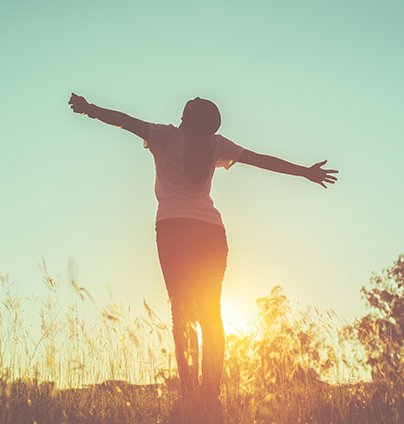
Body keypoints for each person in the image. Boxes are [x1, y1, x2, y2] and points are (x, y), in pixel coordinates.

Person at [68, 93, 338, 423]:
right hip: (211, 232)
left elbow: (124, 120)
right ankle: (211, 396)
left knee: (182, 313)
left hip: (174, 229)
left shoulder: (166, 135)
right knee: (211, 314)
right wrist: (304, 172)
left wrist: (89, 110)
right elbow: (262, 160)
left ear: (186, 117)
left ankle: (191, 396)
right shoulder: (215, 144)